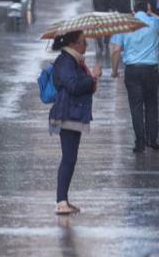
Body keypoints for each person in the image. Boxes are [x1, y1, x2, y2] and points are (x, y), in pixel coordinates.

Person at [48, 31, 102, 215]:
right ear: (72, 43)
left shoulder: (74, 61)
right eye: (82, 42)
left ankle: (64, 200)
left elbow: (82, 85)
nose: (85, 45)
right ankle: (60, 201)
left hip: (74, 113)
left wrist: (92, 78)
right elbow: (73, 86)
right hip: (67, 113)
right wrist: (92, 77)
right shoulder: (66, 61)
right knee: (68, 158)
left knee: (71, 159)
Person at [110, 0, 159, 153]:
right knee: (151, 105)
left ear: (133, 10)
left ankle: (140, 142)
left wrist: (114, 71)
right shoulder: (153, 22)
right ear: (146, 8)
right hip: (151, 70)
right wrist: (153, 14)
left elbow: (116, 51)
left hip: (133, 71)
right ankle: (153, 140)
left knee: (136, 107)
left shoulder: (124, 24)